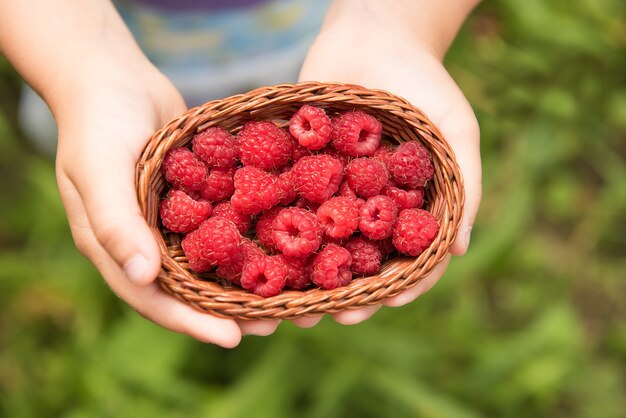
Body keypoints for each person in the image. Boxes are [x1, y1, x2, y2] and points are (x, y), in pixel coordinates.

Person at [0, 0, 482, 348]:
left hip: (314, 25)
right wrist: (81, 73)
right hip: (88, 35)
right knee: (105, 168)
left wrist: (395, 21)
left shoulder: (303, 177)